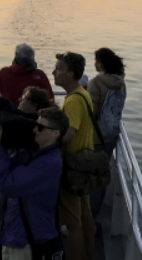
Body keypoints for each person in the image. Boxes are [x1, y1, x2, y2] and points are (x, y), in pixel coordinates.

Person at [0, 107, 69, 260]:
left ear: (55, 133)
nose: (34, 130)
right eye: (35, 125)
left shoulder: (49, 164)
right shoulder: (36, 152)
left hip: (25, 241)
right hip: (14, 233)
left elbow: (8, 185)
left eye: (40, 127)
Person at [53, 51, 95, 260]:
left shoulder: (73, 101)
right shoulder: (82, 94)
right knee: (85, 213)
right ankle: (89, 254)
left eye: (58, 69)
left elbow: (70, 133)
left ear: (70, 74)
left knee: (72, 221)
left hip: (73, 167)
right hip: (84, 163)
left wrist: (47, 140)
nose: (54, 72)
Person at [87, 47, 126, 217]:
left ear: (101, 64)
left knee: (92, 179)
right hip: (111, 135)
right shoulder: (121, 82)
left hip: (96, 137)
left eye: (96, 61)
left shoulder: (96, 83)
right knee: (101, 176)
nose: (94, 64)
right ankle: (95, 215)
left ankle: (89, 219)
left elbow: (92, 112)